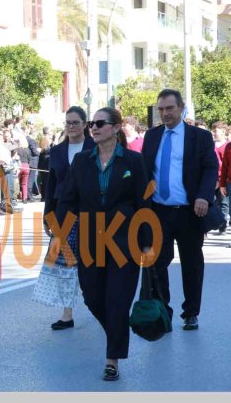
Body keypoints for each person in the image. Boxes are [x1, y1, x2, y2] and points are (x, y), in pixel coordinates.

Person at [54, 107, 151, 381]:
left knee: (118, 301)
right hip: (90, 241)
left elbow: (144, 203)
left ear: (116, 128)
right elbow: (67, 200)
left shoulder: (133, 161)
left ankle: (112, 359)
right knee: (93, 298)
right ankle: (117, 332)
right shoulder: (82, 161)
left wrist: (147, 242)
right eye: (92, 124)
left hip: (125, 242)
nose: (93, 128)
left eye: (100, 123)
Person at [141, 89, 218, 331]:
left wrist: (204, 196)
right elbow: (145, 170)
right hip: (158, 211)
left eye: (169, 108)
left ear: (181, 108)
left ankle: (191, 312)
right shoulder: (152, 136)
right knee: (157, 263)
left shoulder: (199, 137)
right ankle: (163, 311)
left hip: (189, 212)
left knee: (191, 264)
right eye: (161, 109)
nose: (165, 113)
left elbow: (210, 168)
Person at [42, 106, 95, 330]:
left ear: (85, 124)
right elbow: (50, 185)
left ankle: (97, 304)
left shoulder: (95, 146)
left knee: (92, 262)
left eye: (75, 122)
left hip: (91, 212)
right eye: (68, 122)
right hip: (63, 213)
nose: (71, 126)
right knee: (64, 265)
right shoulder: (56, 151)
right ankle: (66, 315)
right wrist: (47, 216)